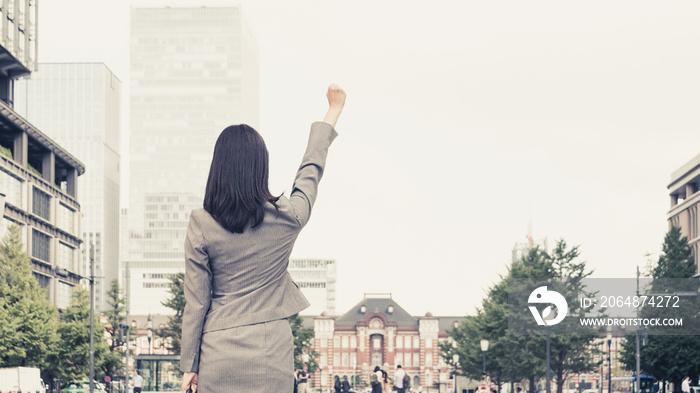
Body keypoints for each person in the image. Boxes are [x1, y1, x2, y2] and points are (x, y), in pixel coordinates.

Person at [179, 84, 346, 393]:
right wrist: (332, 112)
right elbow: (309, 173)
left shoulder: (201, 223)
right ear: (261, 167)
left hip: (218, 353)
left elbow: (197, 302)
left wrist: (190, 365)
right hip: (272, 354)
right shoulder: (288, 216)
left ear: (218, 167)